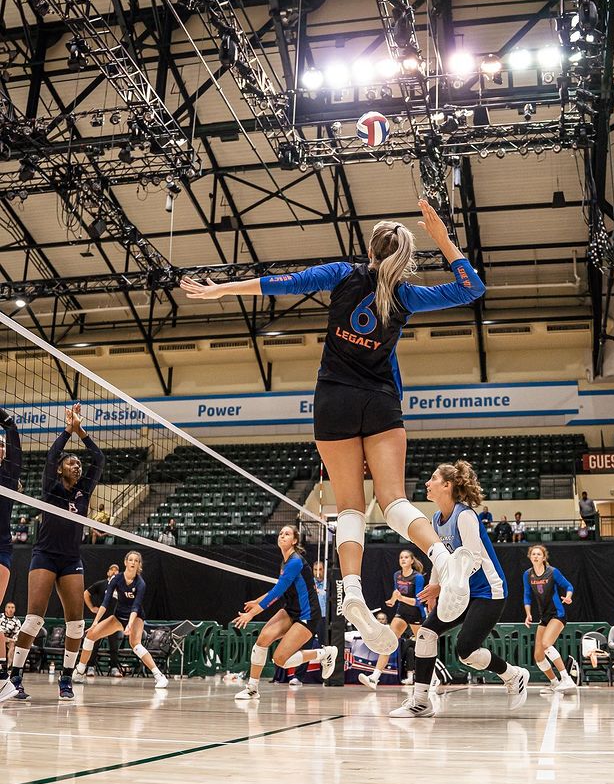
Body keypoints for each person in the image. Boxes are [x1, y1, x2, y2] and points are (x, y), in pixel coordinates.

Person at [182, 200, 482, 655]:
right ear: (403, 256)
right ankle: (443, 556)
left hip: (334, 401)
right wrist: (442, 237)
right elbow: (471, 288)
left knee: (350, 507)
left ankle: (355, 592)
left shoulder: (343, 274)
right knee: (394, 499)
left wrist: (222, 290)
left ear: (370, 248)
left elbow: (280, 283)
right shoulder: (407, 294)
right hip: (380, 402)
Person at [390, 460, 529, 718]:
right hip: (458, 590)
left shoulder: (464, 516)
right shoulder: (435, 519)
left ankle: (513, 674)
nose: (427, 483)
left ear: (447, 485)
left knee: (466, 652)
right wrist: (434, 585)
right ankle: (421, 701)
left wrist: (443, 586)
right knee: (427, 634)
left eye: (432, 478)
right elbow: (439, 557)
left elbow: (472, 560)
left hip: (488, 591)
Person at [9, 403, 104, 702]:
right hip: (45, 555)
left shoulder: (83, 492)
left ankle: (65, 679)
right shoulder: (51, 487)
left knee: (76, 623)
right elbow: (51, 456)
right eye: (71, 463)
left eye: (78, 463)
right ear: (61, 469)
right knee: (34, 619)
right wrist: (66, 430)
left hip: (70, 559)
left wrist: (81, 432)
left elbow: (98, 458)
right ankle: (15, 677)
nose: (76, 466)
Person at [233, 526, 338, 701]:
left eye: (287, 534)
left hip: (307, 614)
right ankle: (252, 689)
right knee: (262, 640)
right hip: (291, 610)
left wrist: (251, 614)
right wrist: (257, 601)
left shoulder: (296, 561)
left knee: (281, 660)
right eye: (280, 533)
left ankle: (324, 653)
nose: (282, 535)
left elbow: (277, 592)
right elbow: (279, 588)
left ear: (295, 541)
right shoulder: (286, 561)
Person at [74, 551, 168, 688]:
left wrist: (129, 624)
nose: (133, 562)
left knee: (135, 644)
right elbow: (105, 602)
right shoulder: (116, 579)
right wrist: (95, 622)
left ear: (139, 565)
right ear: (125, 562)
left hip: (135, 617)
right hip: (118, 617)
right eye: (130, 560)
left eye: (136, 560)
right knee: (90, 636)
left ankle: (159, 676)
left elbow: (136, 606)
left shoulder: (140, 584)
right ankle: (80, 671)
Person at [359, 549, 425, 690]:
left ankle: (433, 678)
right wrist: (393, 600)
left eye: (406, 557)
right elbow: (396, 593)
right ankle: (374, 678)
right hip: (401, 613)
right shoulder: (397, 575)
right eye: (401, 557)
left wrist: (401, 598)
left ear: (412, 561)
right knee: (387, 642)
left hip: (416, 614)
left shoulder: (418, 577)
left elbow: (419, 602)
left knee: (424, 647)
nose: (403, 559)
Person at [523, 544, 576, 693]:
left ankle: (566, 678)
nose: (535, 556)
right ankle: (554, 682)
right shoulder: (527, 574)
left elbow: (569, 586)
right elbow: (527, 595)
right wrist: (528, 614)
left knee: (546, 643)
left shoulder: (552, 572)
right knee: (539, 656)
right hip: (544, 616)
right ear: (530, 557)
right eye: (533, 554)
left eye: (539, 554)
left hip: (557, 614)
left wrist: (568, 597)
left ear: (544, 557)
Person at [0, 408, 22, 704]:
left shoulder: (8, 474)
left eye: (3, 445)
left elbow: (15, 445)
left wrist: (6, 420)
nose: (2, 447)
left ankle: (4, 680)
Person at [82, 563, 123, 677]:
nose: (114, 571)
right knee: (94, 643)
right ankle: (90, 667)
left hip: (114, 620)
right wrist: (91, 607)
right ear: (108, 572)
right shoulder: (101, 584)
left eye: (116, 570)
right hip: (101, 619)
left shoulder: (121, 586)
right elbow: (86, 593)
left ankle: (114, 668)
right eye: (112, 569)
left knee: (114, 646)